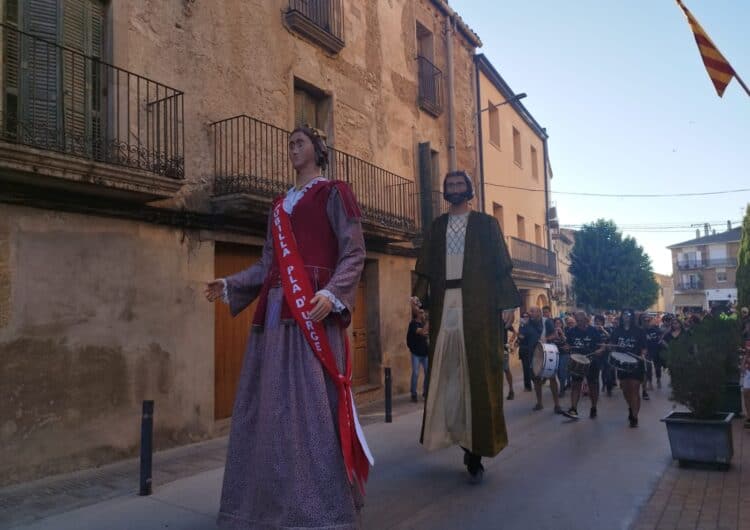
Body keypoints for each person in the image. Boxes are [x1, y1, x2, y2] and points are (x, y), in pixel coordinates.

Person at [205, 126, 372, 529]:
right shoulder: (278, 206)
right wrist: (230, 283)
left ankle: (319, 506)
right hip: (276, 314)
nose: (293, 149)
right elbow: (267, 265)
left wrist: (332, 295)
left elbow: (354, 252)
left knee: (311, 409)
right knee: (268, 410)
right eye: (290, 144)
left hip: (312, 310)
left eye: (300, 143)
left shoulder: (334, 192)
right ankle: (265, 503)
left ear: (318, 150)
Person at [413, 170, 520, 484]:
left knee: (479, 372)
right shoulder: (437, 227)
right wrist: (418, 300)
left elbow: (501, 267)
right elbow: (426, 271)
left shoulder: (487, 225)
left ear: (469, 189)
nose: (455, 188)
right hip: (445, 303)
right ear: (445, 192)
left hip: (479, 306)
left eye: (460, 184)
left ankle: (476, 446)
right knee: (447, 372)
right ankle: (457, 432)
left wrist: (508, 304)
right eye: (450, 185)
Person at [563, 312, 606, 419]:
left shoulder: (594, 331)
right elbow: (568, 343)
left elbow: (602, 346)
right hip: (577, 361)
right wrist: (567, 347)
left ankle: (594, 407)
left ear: (586, 320)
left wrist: (600, 350)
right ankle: (573, 409)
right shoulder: (572, 331)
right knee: (575, 385)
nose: (579, 323)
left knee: (593, 386)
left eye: (581, 321)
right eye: (577, 321)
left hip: (592, 362)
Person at [520, 306, 563, 414]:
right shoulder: (527, 324)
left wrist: (547, 339)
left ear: (539, 312)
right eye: (529, 312)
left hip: (547, 353)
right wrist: (519, 334)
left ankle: (557, 404)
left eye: (532, 311)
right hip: (533, 355)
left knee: (552, 378)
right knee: (536, 380)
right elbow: (521, 337)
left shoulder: (547, 322)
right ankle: (539, 403)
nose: (530, 313)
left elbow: (555, 335)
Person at [608, 309, 647, 428]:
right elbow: (612, 345)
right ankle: (631, 407)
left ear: (632, 317)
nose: (626, 317)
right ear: (621, 317)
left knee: (634, 389)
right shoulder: (616, 331)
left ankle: (634, 417)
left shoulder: (639, 331)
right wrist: (611, 348)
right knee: (625, 390)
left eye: (629, 314)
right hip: (622, 364)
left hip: (636, 364)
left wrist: (643, 355)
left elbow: (644, 347)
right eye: (624, 314)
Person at [407, 302, 429, 402]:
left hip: (425, 353)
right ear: (418, 315)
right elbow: (422, 331)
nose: (423, 314)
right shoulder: (413, 324)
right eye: (421, 313)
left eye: (423, 312)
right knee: (416, 373)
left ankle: (425, 391)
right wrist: (428, 322)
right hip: (416, 353)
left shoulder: (423, 323)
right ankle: (413, 393)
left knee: (427, 372)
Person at [642, 314, 665, 392]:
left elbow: (661, 335)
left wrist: (660, 340)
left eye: (648, 320)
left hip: (656, 349)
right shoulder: (641, 330)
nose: (647, 322)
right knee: (648, 366)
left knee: (657, 367)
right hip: (647, 350)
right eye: (645, 321)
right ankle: (650, 382)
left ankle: (658, 379)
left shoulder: (656, 329)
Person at [593, 314, 614, 397]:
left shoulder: (608, 329)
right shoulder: (593, 330)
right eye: (596, 321)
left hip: (606, 354)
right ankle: (599, 388)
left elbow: (611, 338)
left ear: (603, 322)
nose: (598, 323)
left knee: (608, 373)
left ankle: (609, 388)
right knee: (597, 373)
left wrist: (603, 330)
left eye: (599, 321)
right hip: (597, 354)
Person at [551, 317, 569, 396]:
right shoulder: (551, 332)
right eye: (556, 323)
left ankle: (562, 389)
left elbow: (566, 340)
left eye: (559, 323)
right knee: (558, 372)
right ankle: (562, 385)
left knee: (562, 371)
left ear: (562, 324)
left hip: (564, 354)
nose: (558, 325)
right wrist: (555, 333)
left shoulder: (566, 331)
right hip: (555, 354)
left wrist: (561, 333)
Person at [503, 309, 518, 400]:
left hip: (503, 348)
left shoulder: (504, 323)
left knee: (506, 369)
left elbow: (515, 333)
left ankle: (511, 390)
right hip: (494, 348)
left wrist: (510, 342)